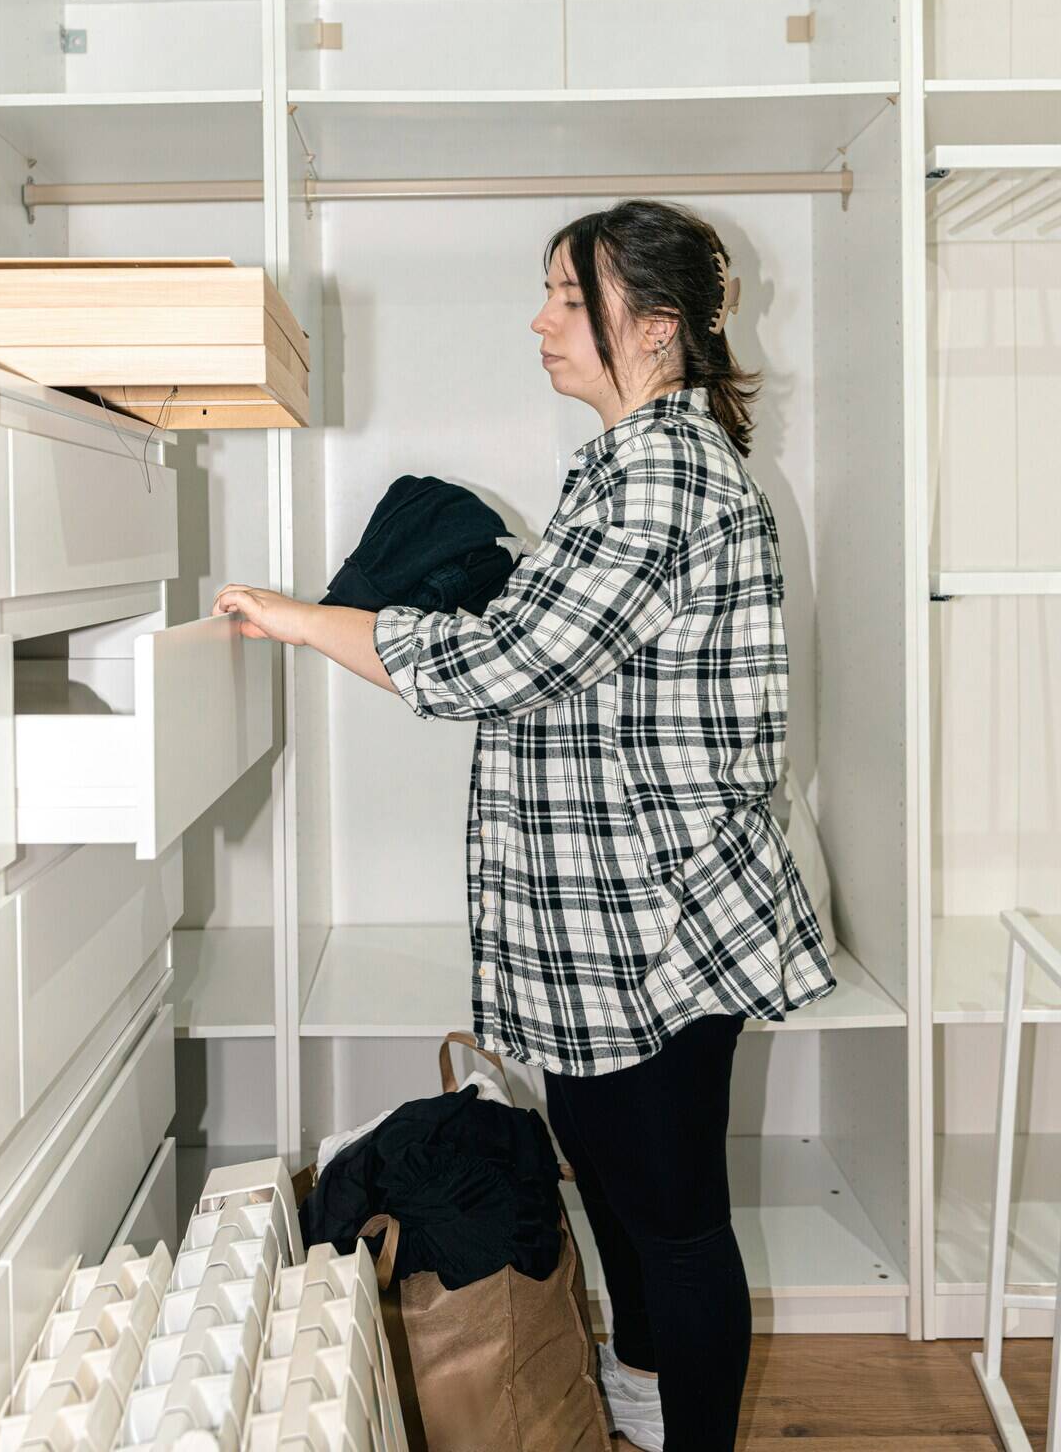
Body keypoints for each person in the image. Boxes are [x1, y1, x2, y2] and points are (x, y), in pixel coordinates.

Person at [211, 199, 837, 1452]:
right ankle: (649, 1408)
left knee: (674, 1217)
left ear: (654, 328)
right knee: (613, 1185)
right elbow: (584, 662)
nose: (542, 320)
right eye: (549, 293)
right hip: (606, 925)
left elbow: (512, 661)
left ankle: (683, 1434)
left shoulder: (662, 467)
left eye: (570, 297)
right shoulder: (624, 462)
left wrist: (302, 618)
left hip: (649, 924)